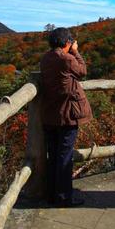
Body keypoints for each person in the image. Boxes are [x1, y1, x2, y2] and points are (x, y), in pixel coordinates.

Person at [40, 27, 93, 206]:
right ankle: (63, 197)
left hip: (50, 115)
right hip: (67, 115)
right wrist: (76, 52)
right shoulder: (66, 59)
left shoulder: (45, 58)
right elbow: (83, 72)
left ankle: (51, 194)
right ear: (67, 43)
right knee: (64, 157)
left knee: (53, 155)